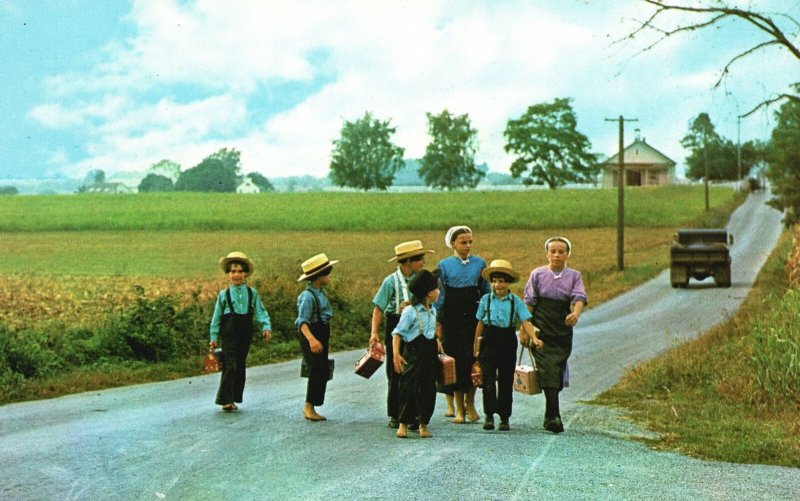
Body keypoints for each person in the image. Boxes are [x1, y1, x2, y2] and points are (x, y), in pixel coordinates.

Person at [523, 237, 587, 433]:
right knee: (548, 368)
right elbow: (529, 303)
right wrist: (525, 330)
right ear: (547, 254)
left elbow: (579, 297)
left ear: (567, 254)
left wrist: (575, 314)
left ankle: (549, 415)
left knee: (556, 370)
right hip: (541, 328)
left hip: (562, 328)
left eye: (561, 251)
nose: (557, 255)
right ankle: (554, 417)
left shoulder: (574, 275)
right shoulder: (537, 274)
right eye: (553, 251)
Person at [370, 240, 434, 428]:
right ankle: (396, 413)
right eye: (419, 259)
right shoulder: (391, 282)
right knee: (396, 369)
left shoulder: (421, 279)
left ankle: (414, 414)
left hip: (416, 326)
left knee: (416, 370)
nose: (423, 262)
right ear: (407, 261)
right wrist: (374, 332)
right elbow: (379, 308)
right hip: (396, 323)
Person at [474, 259, 543, 431]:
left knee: (505, 380)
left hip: (506, 340)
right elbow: (480, 324)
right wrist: (476, 347)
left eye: (502, 281)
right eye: (495, 281)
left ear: (508, 282)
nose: (498, 285)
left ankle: (504, 417)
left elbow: (525, 321)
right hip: (489, 340)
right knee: (488, 380)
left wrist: (534, 337)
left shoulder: (515, 301)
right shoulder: (485, 300)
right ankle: (489, 415)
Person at [434, 225, 490, 423]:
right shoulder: (444, 265)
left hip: (473, 317)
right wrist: (437, 320)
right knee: (455, 361)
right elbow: (440, 296)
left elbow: (486, 292)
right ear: (453, 244)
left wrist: (486, 315)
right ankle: (459, 408)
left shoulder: (480, 263)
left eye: (470, 242)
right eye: (463, 242)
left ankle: (471, 404)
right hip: (453, 317)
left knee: (473, 359)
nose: (467, 246)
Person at [209, 251, 272, 412]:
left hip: (245, 331)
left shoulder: (252, 293)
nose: (236, 275)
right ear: (228, 274)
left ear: (245, 274)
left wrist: (266, 327)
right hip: (229, 332)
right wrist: (213, 337)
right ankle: (225, 399)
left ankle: (234, 397)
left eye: (239, 272)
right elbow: (216, 318)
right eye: (233, 271)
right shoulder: (224, 295)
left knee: (240, 364)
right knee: (230, 364)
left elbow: (260, 312)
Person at [392, 269, 441, 439]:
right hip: (414, 352)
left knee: (428, 388)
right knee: (408, 387)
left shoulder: (433, 310)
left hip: (430, 351)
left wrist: (438, 342)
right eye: (437, 289)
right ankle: (403, 423)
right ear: (428, 293)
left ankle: (423, 423)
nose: (439, 292)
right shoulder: (410, 311)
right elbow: (397, 333)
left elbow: (431, 330)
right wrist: (396, 354)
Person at [296, 253, 339, 421]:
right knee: (315, 369)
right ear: (318, 277)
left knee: (322, 369)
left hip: (321, 332)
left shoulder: (319, 293)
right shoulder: (308, 296)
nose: (329, 276)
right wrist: (312, 340)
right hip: (311, 333)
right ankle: (309, 406)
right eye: (327, 273)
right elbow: (302, 322)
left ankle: (313, 404)